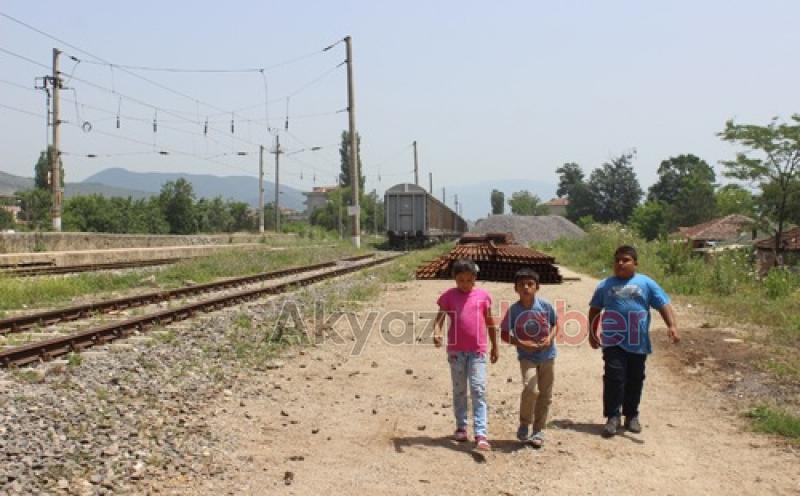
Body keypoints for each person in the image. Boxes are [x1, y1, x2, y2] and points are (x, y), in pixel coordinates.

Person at [588, 245, 680, 437]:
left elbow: (662, 304)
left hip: (638, 342)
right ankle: (613, 416)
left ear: (635, 263)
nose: (620, 263)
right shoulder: (605, 285)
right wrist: (592, 332)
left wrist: (672, 326)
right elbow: (595, 309)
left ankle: (631, 416)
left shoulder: (646, 283)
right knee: (614, 378)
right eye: (617, 260)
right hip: (613, 341)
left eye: (626, 260)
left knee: (635, 379)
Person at [433, 259, 499, 451]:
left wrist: (495, 346)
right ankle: (461, 427)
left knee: (478, 389)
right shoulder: (449, 296)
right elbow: (440, 319)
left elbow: (490, 323)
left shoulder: (482, 297)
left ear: (475, 279)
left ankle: (481, 433)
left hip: (477, 351)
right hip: (456, 352)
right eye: (461, 280)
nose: (465, 284)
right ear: (455, 279)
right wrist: (437, 332)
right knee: (459, 389)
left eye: (469, 280)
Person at [499, 268, 560, 448]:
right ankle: (525, 423)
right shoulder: (514, 310)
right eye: (521, 285)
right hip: (527, 357)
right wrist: (521, 343)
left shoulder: (545, 306)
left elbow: (556, 324)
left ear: (537, 287)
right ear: (515, 288)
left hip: (547, 356)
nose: (526, 287)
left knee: (545, 395)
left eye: (530, 284)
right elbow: (503, 333)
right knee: (531, 389)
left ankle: (538, 430)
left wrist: (550, 338)